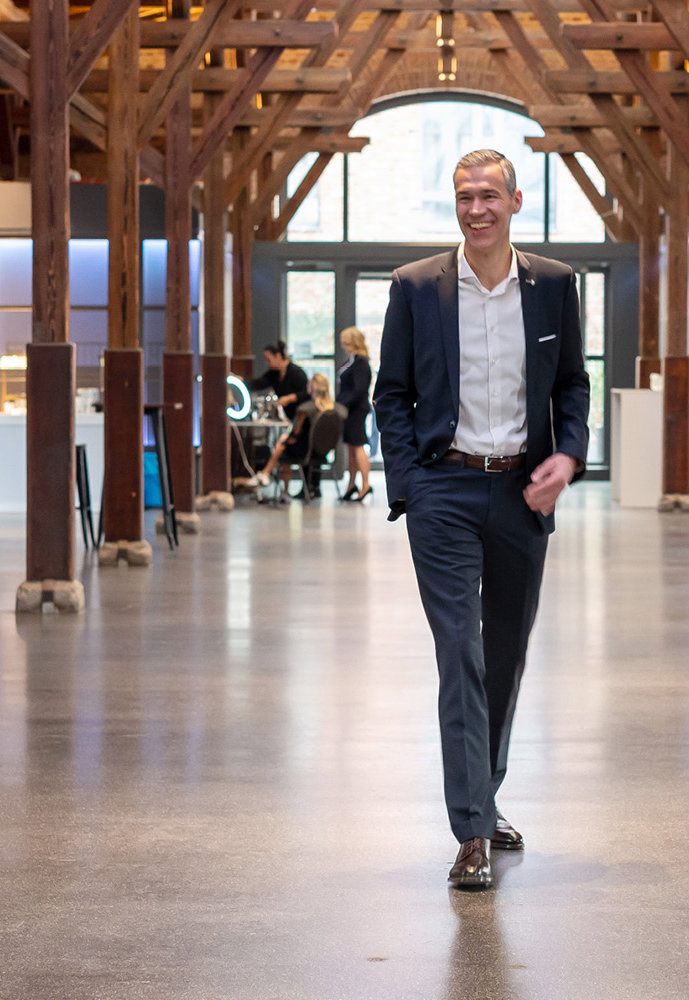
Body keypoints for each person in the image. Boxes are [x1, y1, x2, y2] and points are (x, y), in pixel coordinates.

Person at [372, 149, 590, 888]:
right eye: (465, 197)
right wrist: (410, 487)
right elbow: (389, 395)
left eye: (489, 195)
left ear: (516, 200)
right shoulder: (416, 288)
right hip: (444, 490)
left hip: (523, 492)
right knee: (459, 649)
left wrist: (569, 458)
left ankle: (484, 797)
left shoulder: (555, 285)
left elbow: (572, 386)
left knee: (505, 657)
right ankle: (471, 833)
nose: (476, 208)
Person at [244, 373, 345, 501]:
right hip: (323, 452)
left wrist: (289, 436)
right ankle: (267, 474)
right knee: (284, 441)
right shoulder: (335, 409)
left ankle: (270, 478)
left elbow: (296, 432)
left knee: (283, 442)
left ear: (312, 387)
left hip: (306, 452)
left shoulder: (305, 409)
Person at [336, 327, 373, 502]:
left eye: (345, 342)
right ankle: (352, 484)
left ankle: (365, 484)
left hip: (355, 410)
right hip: (349, 410)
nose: (343, 346)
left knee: (358, 446)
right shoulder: (352, 361)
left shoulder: (361, 363)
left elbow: (360, 389)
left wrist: (344, 404)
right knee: (351, 448)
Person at [248, 341, 309, 420]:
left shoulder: (296, 373)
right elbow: (258, 383)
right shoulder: (274, 374)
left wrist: (290, 398)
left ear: (278, 356)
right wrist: (240, 380)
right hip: (290, 418)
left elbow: (306, 393)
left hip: (301, 419)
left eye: (269, 360)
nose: (267, 363)